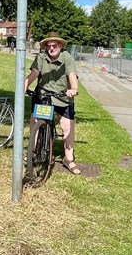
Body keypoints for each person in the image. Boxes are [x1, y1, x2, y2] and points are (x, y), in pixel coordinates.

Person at [24, 31, 81, 174]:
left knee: (67, 126)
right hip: (43, 95)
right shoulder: (41, 57)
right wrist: (24, 85)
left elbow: (72, 75)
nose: (51, 48)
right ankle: (33, 152)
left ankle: (69, 159)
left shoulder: (66, 57)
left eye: (54, 45)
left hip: (62, 97)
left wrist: (73, 88)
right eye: (48, 45)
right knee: (35, 121)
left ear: (60, 45)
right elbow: (34, 74)